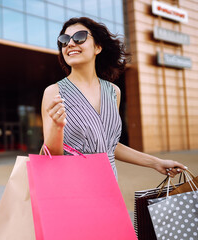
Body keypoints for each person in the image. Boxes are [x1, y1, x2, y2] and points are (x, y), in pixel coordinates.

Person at [41, 17, 186, 179]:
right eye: (64, 40)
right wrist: (57, 128)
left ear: (98, 47)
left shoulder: (113, 92)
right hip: (73, 186)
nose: (70, 44)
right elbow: (50, 154)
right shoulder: (54, 92)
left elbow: (108, 145)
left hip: (109, 185)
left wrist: (155, 162)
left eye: (79, 37)